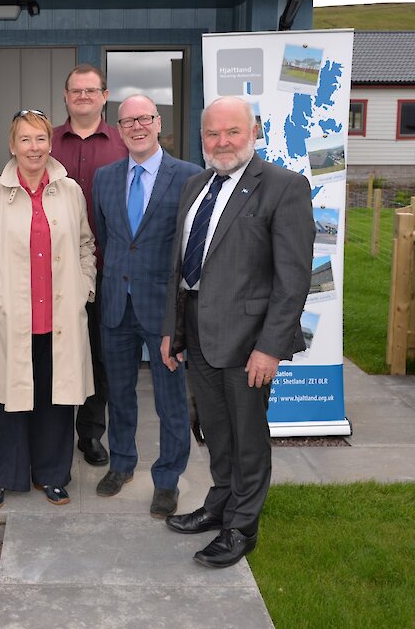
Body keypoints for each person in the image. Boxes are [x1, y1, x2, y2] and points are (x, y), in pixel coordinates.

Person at [160, 96, 314, 568]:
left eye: (232, 131)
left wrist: (269, 348)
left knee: (247, 437)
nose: (221, 141)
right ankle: (220, 503)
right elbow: (181, 270)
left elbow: (293, 280)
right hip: (201, 336)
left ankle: (242, 528)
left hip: (249, 343)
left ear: (254, 132)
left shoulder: (284, 187)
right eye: (212, 133)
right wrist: (173, 331)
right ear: (201, 137)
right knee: (216, 431)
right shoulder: (194, 186)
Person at [0, 109, 96, 509]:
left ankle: (53, 475)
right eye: (25, 139)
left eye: (40, 139)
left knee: (55, 401)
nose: (34, 148)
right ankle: (2, 476)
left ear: (50, 144)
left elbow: (86, 244)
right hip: (10, 316)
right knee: (7, 400)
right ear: (12, 145)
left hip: (60, 317)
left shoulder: (69, 191)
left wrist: (84, 286)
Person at [91, 94, 202, 518]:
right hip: (116, 306)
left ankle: (168, 479)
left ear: (159, 123)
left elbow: (192, 248)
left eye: (144, 119)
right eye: (127, 121)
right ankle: (122, 464)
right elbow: (108, 238)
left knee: (170, 397)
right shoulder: (104, 178)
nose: (136, 127)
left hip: (164, 311)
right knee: (118, 393)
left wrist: (181, 313)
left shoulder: (189, 176)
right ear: (118, 130)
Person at [52, 63, 128, 467]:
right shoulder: (44, 143)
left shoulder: (122, 145)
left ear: (104, 95)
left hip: (108, 269)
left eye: (90, 91)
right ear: (65, 96)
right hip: (53, 273)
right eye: (75, 91)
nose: (83, 97)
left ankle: (91, 434)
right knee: (53, 353)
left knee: (101, 356)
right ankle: (51, 434)